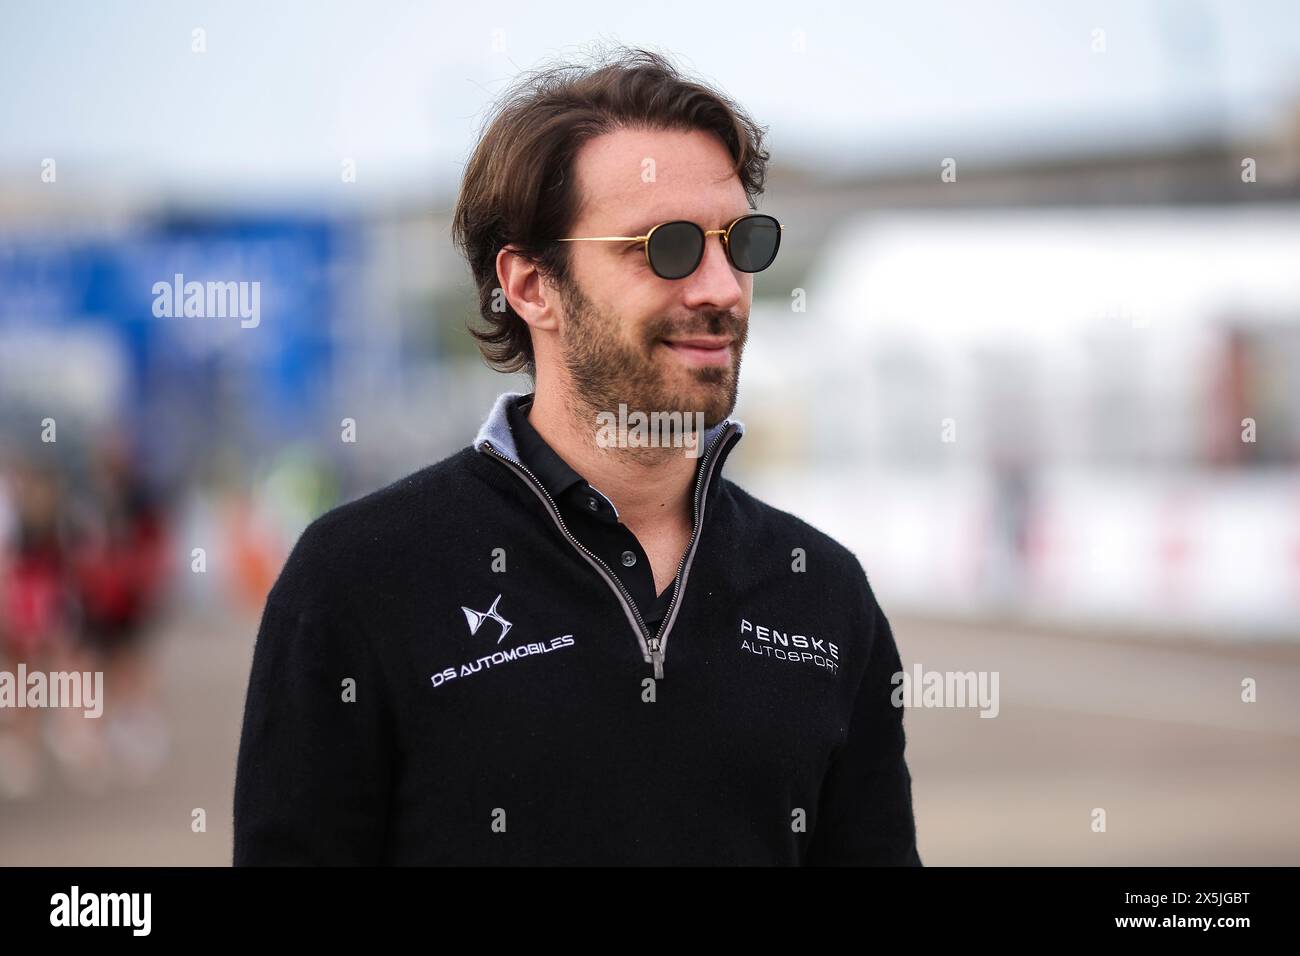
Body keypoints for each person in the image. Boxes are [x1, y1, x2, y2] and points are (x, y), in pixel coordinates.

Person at [234, 46, 920, 865]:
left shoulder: (822, 593)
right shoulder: (358, 579)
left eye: (739, 243)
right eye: (665, 247)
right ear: (530, 286)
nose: (719, 288)